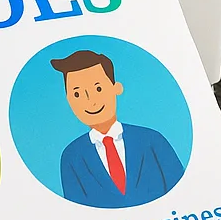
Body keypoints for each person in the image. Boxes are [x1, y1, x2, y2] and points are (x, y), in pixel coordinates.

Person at [52, 49, 184, 208]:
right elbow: (78, 211)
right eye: (77, 94)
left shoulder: (152, 140)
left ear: (116, 88)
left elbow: (184, 190)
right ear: (69, 100)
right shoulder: (72, 156)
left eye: (98, 89)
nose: (90, 101)